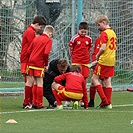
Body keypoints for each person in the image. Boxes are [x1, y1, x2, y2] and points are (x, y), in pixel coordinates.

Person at [20, 15, 47, 109]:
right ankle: (26, 102)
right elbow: (33, 46)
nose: (40, 29)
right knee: (30, 80)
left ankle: (29, 101)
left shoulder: (30, 30)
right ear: (36, 24)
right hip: (27, 59)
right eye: (40, 26)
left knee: (31, 80)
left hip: (28, 58)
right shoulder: (30, 32)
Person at [91, 14, 117, 109]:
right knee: (107, 80)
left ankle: (104, 100)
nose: (99, 27)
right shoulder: (113, 33)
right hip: (111, 60)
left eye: (99, 25)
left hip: (104, 59)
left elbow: (103, 48)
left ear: (104, 23)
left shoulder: (104, 33)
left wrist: (97, 56)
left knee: (94, 79)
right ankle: (108, 103)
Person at [27, 25, 55, 109]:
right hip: (39, 63)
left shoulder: (36, 38)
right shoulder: (48, 40)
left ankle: (34, 102)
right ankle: (39, 103)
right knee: (40, 83)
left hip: (31, 62)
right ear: (50, 34)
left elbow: (29, 51)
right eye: (52, 35)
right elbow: (46, 53)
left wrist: (32, 57)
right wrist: (46, 64)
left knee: (35, 82)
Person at [66, 21, 92, 107]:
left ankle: (82, 100)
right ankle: (68, 100)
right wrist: (73, 57)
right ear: (78, 30)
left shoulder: (89, 39)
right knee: (73, 80)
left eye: (85, 32)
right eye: (82, 32)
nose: (83, 33)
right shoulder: (75, 38)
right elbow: (70, 48)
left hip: (85, 63)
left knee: (84, 81)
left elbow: (89, 49)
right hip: (76, 62)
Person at [88, 28, 103, 107]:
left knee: (99, 81)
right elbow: (95, 53)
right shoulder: (98, 40)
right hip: (99, 63)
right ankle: (92, 101)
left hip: (102, 63)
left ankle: (105, 101)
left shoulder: (103, 39)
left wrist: (94, 62)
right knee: (93, 82)